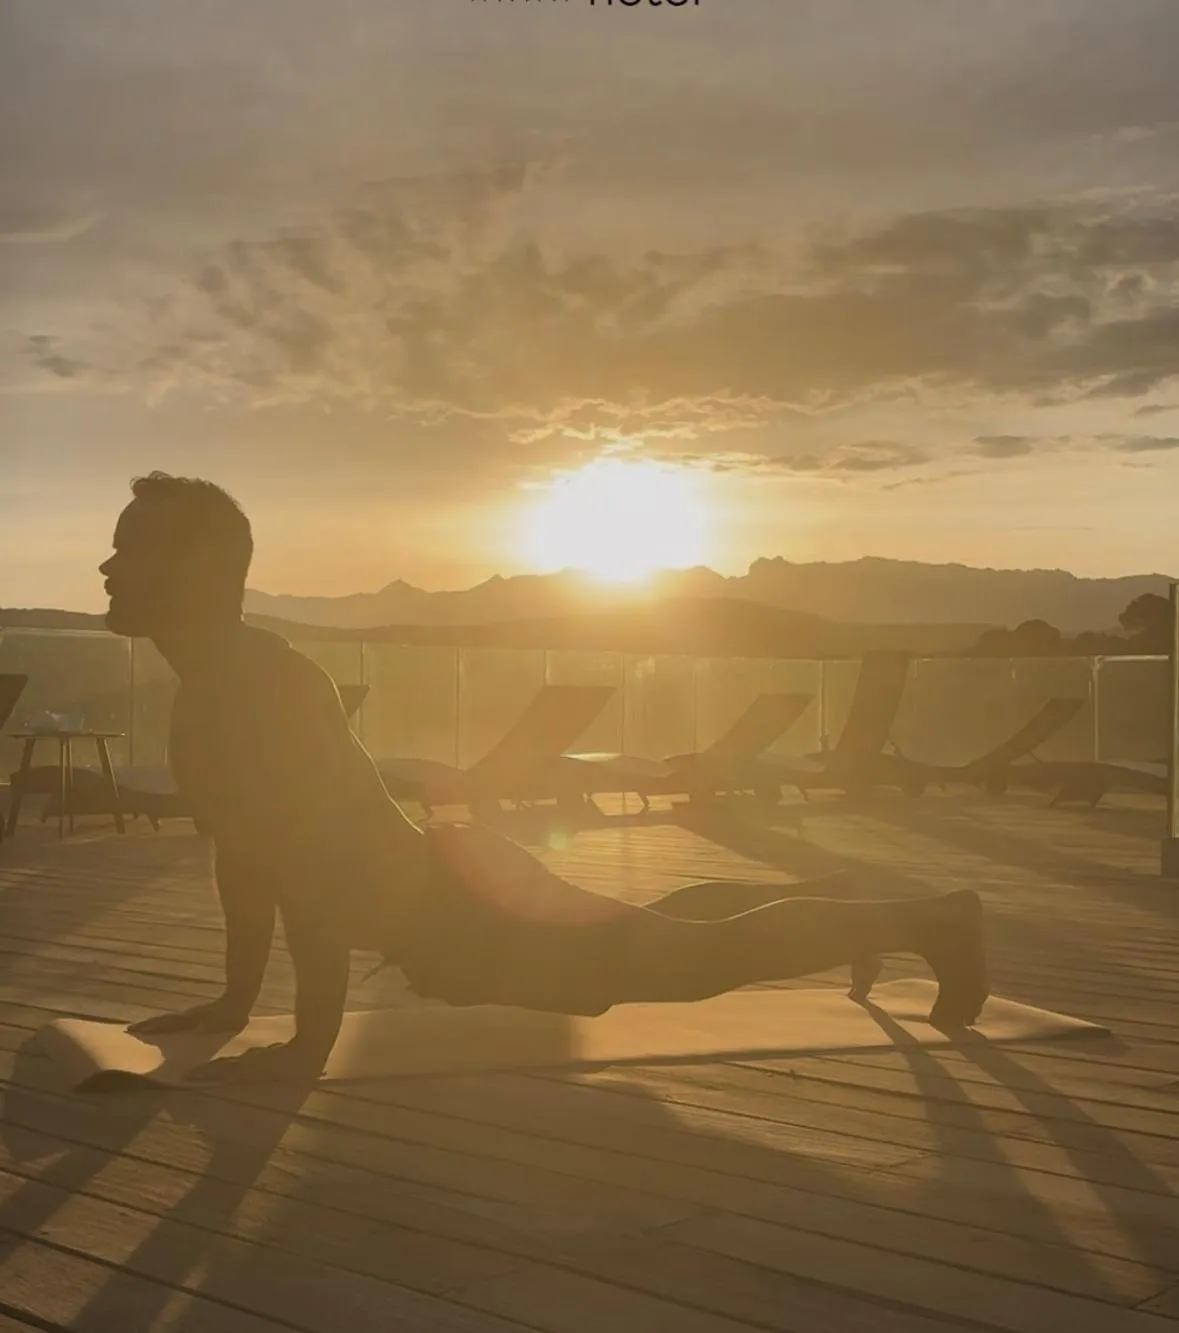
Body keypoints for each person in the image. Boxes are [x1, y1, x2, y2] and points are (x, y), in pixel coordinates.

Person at [102, 472, 988, 1084]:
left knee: (689, 963)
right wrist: (233, 1001)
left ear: (201, 571)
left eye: (130, 550)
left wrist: (307, 1043)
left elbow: (309, 872)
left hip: (470, 913)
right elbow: (248, 858)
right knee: (657, 936)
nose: (107, 569)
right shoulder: (212, 691)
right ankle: (838, 906)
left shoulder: (262, 687)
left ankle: (931, 920)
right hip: (455, 897)